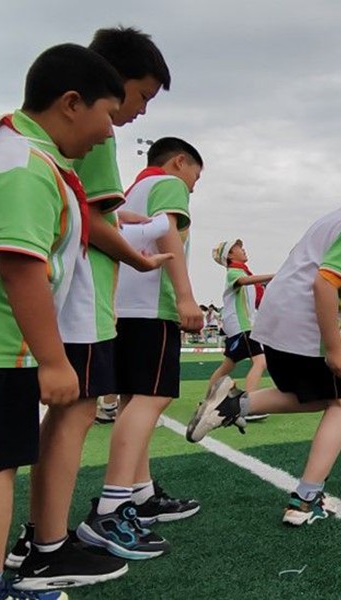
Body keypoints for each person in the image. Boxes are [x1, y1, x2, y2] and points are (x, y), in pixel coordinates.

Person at [7, 27, 180, 585]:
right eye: (139, 98)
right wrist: (136, 256)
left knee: (72, 410)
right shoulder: (93, 133)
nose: (131, 117)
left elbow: (91, 209)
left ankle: (41, 538)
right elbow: (93, 222)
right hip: (81, 295)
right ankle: (47, 543)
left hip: (76, 293)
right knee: (75, 409)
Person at [0, 43, 127, 599]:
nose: (108, 131)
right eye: (107, 113)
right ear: (72, 102)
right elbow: (21, 266)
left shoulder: (13, 150)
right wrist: (54, 361)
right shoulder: (25, 165)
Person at [185, 164, 341, 526]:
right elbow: (324, 285)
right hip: (302, 322)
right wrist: (334, 349)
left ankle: (233, 405)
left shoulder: (340, 217)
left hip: (276, 319)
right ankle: (306, 499)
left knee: (313, 397)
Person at [76, 137, 205, 560]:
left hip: (123, 305)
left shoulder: (131, 189)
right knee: (154, 396)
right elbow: (169, 236)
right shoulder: (168, 183)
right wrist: (186, 296)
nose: (193, 186)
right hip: (151, 307)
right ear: (179, 162)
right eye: (195, 176)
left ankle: (140, 492)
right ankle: (113, 506)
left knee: (134, 399)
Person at [205, 239, 273, 402]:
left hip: (239, 327)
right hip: (242, 327)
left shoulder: (242, 273)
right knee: (260, 362)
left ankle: (208, 400)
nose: (243, 250)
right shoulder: (234, 273)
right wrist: (274, 276)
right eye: (238, 248)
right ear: (229, 255)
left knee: (227, 366)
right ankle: (246, 404)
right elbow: (243, 282)